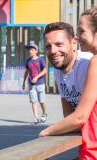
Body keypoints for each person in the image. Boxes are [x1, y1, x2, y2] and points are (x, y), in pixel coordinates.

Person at [39, 9, 97, 159]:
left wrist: (46, 131)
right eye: (48, 46)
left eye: (82, 31)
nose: (53, 51)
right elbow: (69, 115)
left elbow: (79, 117)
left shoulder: (90, 63)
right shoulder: (59, 68)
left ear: (73, 43)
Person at [22, 43, 48, 125]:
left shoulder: (40, 60)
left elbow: (45, 70)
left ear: (36, 51)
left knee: (42, 101)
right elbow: (27, 71)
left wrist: (37, 77)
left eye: (32, 49)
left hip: (40, 84)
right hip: (31, 85)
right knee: (33, 101)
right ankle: (36, 118)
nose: (30, 51)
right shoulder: (28, 61)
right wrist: (24, 82)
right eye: (29, 49)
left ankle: (44, 113)